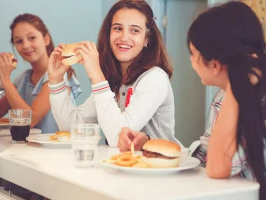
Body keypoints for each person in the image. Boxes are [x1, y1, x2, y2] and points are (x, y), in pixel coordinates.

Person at [47, 0, 182, 150]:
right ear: (108, 34)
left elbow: (118, 138)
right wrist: (56, 80)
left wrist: (96, 76)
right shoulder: (112, 80)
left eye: (135, 30)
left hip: (158, 169)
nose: (124, 37)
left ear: (147, 40)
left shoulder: (154, 78)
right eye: (117, 28)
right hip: (121, 168)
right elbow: (72, 129)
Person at [186, 2, 266, 200]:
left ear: (214, 65)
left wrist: (236, 84)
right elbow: (206, 154)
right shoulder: (225, 97)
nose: (191, 61)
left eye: (193, 55)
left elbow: (217, 167)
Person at [0, 13, 81, 134]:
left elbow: (30, 120)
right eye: (19, 41)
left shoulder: (60, 74)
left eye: (32, 38)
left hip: (57, 151)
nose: (26, 45)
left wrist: (6, 80)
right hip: (29, 150)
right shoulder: (23, 79)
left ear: (46, 39)